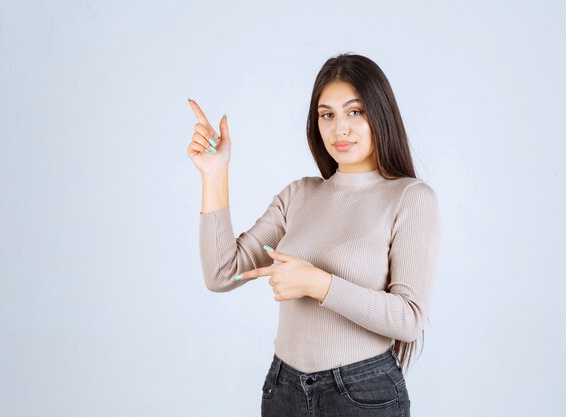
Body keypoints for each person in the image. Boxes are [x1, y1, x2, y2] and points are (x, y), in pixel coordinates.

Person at [187, 52, 440, 417]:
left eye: (355, 112)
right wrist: (214, 175)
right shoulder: (299, 194)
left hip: (362, 394)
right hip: (284, 388)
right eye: (327, 115)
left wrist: (318, 284)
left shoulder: (409, 197)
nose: (340, 129)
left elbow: (409, 319)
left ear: (380, 114)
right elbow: (221, 273)